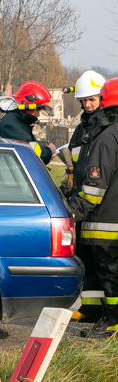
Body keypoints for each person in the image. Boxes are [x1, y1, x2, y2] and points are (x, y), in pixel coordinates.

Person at [67, 77, 118, 337]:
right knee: (98, 269)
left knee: (109, 272)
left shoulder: (107, 136)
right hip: (102, 216)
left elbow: (95, 184)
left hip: (104, 218)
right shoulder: (97, 131)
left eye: (93, 100)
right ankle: (98, 313)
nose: (88, 105)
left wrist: (72, 211)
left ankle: (112, 322)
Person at [63, 70, 106, 323]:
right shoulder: (81, 129)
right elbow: (74, 162)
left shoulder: (106, 129)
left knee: (104, 265)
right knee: (87, 259)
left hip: (98, 203)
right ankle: (90, 309)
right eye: (84, 101)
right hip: (82, 199)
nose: (88, 105)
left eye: (92, 99)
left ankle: (106, 312)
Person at [0, 80, 56, 164]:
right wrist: (49, 151)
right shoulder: (10, 125)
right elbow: (29, 151)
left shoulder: (18, 122)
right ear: (28, 107)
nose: (38, 115)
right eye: (37, 110)